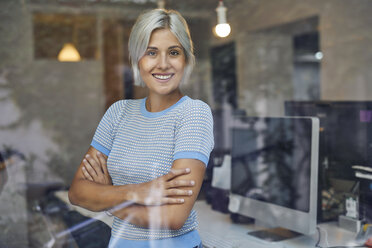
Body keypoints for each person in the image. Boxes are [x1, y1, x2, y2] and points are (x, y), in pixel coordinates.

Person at [68, 8, 214, 248]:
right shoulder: (118, 112)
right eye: (151, 52)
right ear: (138, 59)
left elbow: (173, 217)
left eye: (174, 52)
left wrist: (107, 197)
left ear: (186, 59)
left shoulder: (193, 114)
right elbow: (78, 192)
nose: (163, 64)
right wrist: (138, 191)